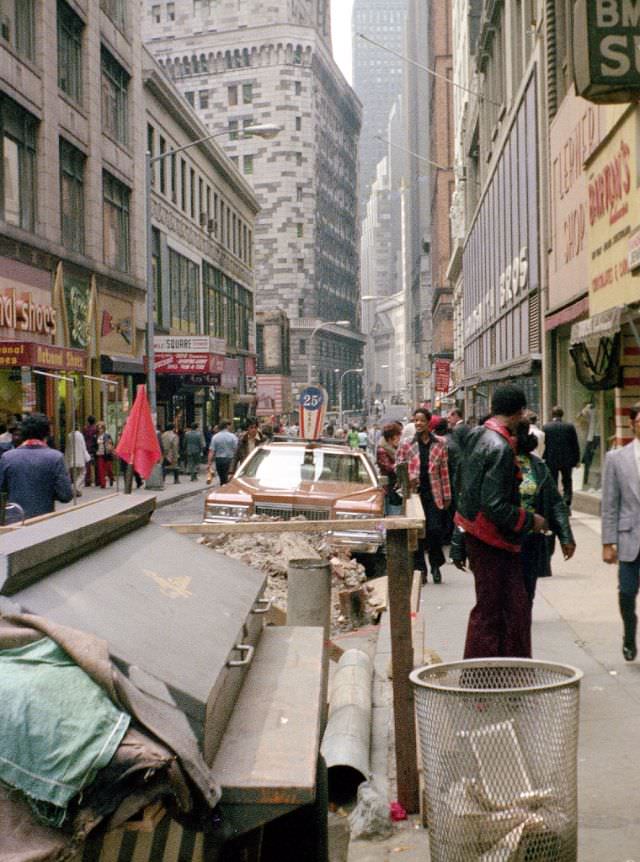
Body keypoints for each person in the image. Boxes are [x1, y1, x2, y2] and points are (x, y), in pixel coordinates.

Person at [455, 385, 547, 658]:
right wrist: (531, 520)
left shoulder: (479, 436)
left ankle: (502, 671)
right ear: (519, 412)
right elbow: (494, 504)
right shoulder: (500, 446)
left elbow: (467, 490)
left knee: (505, 607)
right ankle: (486, 678)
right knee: (497, 609)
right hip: (491, 538)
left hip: (481, 533)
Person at [601, 401, 640, 661]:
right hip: (629, 538)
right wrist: (608, 541)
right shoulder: (616, 458)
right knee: (626, 592)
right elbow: (610, 503)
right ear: (632, 424)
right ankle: (629, 635)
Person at [396, 408, 451, 584]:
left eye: (421, 420)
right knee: (418, 533)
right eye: (415, 421)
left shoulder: (440, 443)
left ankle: (436, 564)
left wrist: (447, 495)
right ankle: (421, 570)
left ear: (429, 423)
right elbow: (399, 467)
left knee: (434, 531)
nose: (418, 424)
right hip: (414, 495)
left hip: (434, 493)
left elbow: (444, 470)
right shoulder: (406, 444)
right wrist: (407, 479)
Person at [0, 413, 73, 520]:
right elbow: (66, 495)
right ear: (47, 434)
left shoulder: (8, 457)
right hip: (44, 522)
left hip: (14, 521)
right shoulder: (55, 457)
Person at [542, 406, 580, 509]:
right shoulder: (569, 427)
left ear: (552, 414)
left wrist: (543, 457)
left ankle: (555, 502)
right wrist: (577, 459)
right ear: (562, 414)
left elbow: (544, 444)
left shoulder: (546, 427)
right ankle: (567, 501)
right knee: (567, 480)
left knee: (553, 481)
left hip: (551, 459)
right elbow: (575, 444)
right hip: (567, 459)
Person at [376, 422, 403, 516]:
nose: (399, 439)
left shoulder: (394, 449)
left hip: (396, 487)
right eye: (398, 437)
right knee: (392, 515)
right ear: (391, 438)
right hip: (389, 488)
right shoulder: (382, 450)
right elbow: (388, 467)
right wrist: (402, 466)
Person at [207, 421, 238, 485]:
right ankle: (226, 489)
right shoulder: (233, 436)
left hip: (219, 460)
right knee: (228, 477)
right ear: (227, 426)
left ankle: (223, 487)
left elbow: (211, 451)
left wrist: (209, 463)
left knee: (222, 478)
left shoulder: (215, 437)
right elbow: (236, 449)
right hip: (230, 460)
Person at [64, 428, 91, 495]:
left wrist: (66, 458)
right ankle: (76, 487)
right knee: (82, 473)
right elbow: (83, 447)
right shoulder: (80, 435)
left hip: (72, 458)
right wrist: (87, 456)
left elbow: (67, 448)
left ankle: (77, 491)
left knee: (75, 475)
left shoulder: (69, 435)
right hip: (80, 457)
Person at [94, 421, 114, 489]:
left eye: (101, 428)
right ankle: (103, 484)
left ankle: (111, 477)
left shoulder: (107, 435)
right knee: (101, 469)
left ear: (104, 428)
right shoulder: (96, 436)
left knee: (109, 469)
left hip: (107, 454)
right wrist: (95, 451)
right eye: (98, 428)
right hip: (99, 454)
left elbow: (111, 444)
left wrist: (110, 448)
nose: (100, 429)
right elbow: (94, 445)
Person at [82, 415, 98, 486]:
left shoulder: (85, 429)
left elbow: (84, 438)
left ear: (88, 421)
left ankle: (87, 480)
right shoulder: (95, 429)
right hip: (94, 448)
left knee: (87, 465)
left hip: (87, 448)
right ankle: (97, 480)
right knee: (96, 464)